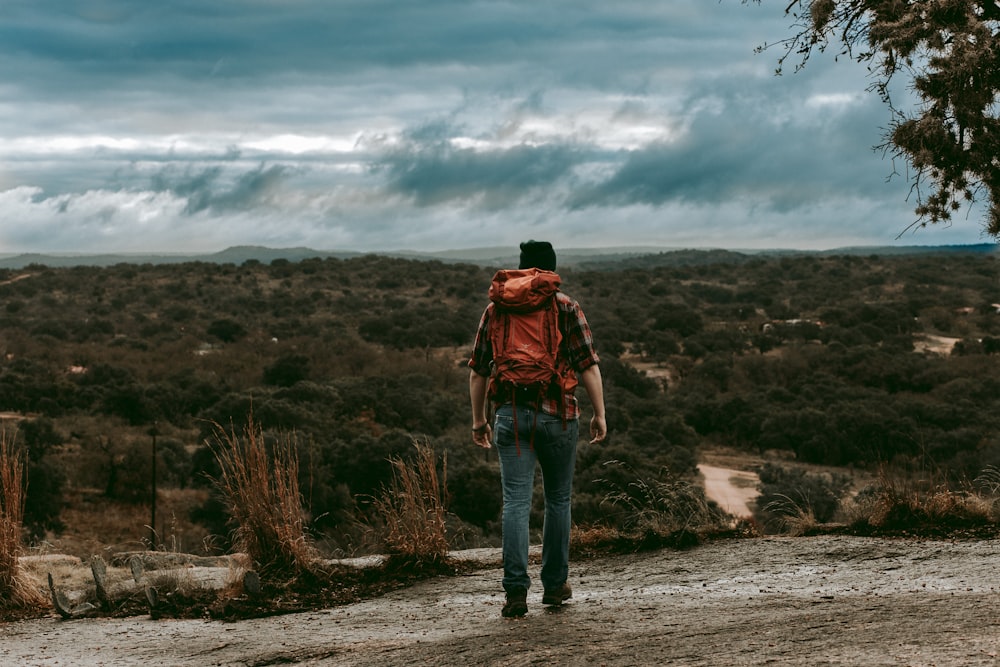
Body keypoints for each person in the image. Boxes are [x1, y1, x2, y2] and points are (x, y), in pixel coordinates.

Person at [468, 240, 606, 618]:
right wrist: (600, 413)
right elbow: (588, 364)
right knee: (558, 500)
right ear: (551, 268)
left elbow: (478, 369)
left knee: (515, 502)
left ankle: (515, 592)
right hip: (559, 415)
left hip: (510, 415)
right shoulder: (565, 306)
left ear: (522, 267)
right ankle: (555, 586)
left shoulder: (496, 309)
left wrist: (479, 419)